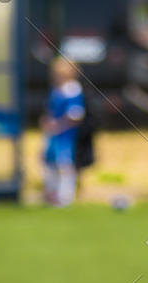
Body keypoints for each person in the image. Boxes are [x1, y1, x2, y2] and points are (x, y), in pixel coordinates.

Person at [41, 57, 86, 206]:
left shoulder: (73, 90)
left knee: (64, 164)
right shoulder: (55, 90)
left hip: (65, 135)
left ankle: (65, 196)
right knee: (49, 162)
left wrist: (59, 124)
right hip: (52, 134)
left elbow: (75, 114)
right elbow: (50, 111)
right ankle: (51, 193)